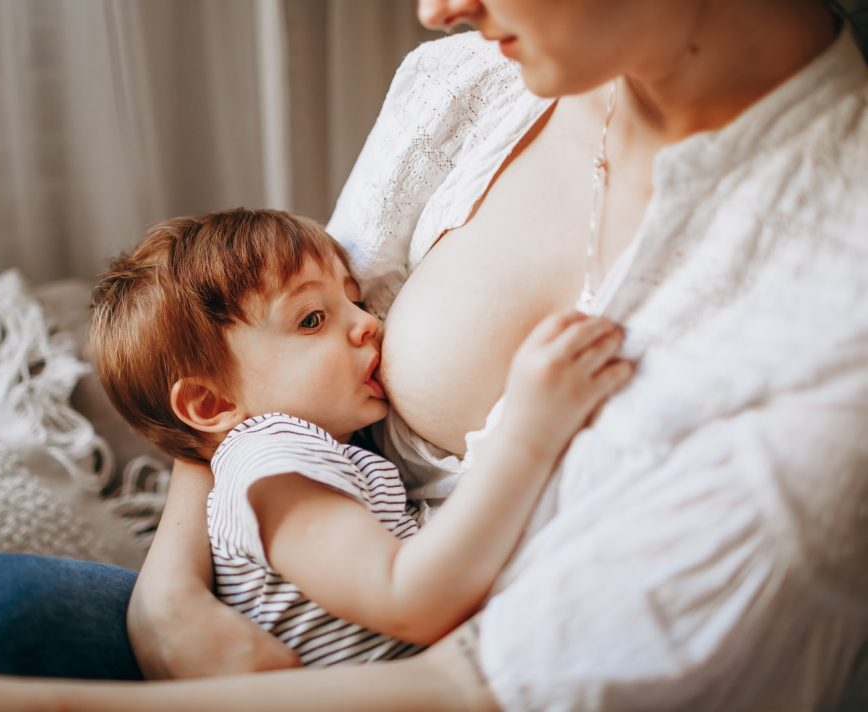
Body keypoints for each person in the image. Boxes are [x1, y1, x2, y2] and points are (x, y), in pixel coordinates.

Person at [0, 0, 866, 710]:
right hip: (305, 628)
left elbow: (468, 679)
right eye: (335, 316)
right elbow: (238, 365)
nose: (435, 3)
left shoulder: (827, 328)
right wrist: (167, 594)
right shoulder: (466, 87)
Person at [87, 208, 631, 667]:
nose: (367, 323)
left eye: (355, 300)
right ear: (212, 405)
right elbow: (409, 599)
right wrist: (528, 432)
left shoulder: (305, 453)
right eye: (312, 319)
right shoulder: (273, 459)